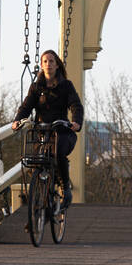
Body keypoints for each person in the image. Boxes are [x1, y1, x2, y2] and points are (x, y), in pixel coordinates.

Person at [11, 50, 83, 207]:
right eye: (45, 61)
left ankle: (65, 188)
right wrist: (17, 121)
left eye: (51, 61)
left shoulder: (66, 85)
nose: (48, 64)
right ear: (42, 66)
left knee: (58, 153)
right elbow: (26, 107)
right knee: (33, 160)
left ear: (57, 65)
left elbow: (75, 105)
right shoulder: (36, 87)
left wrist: (76, 122)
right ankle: (36, 197)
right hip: (42, 131)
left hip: (61, 131)